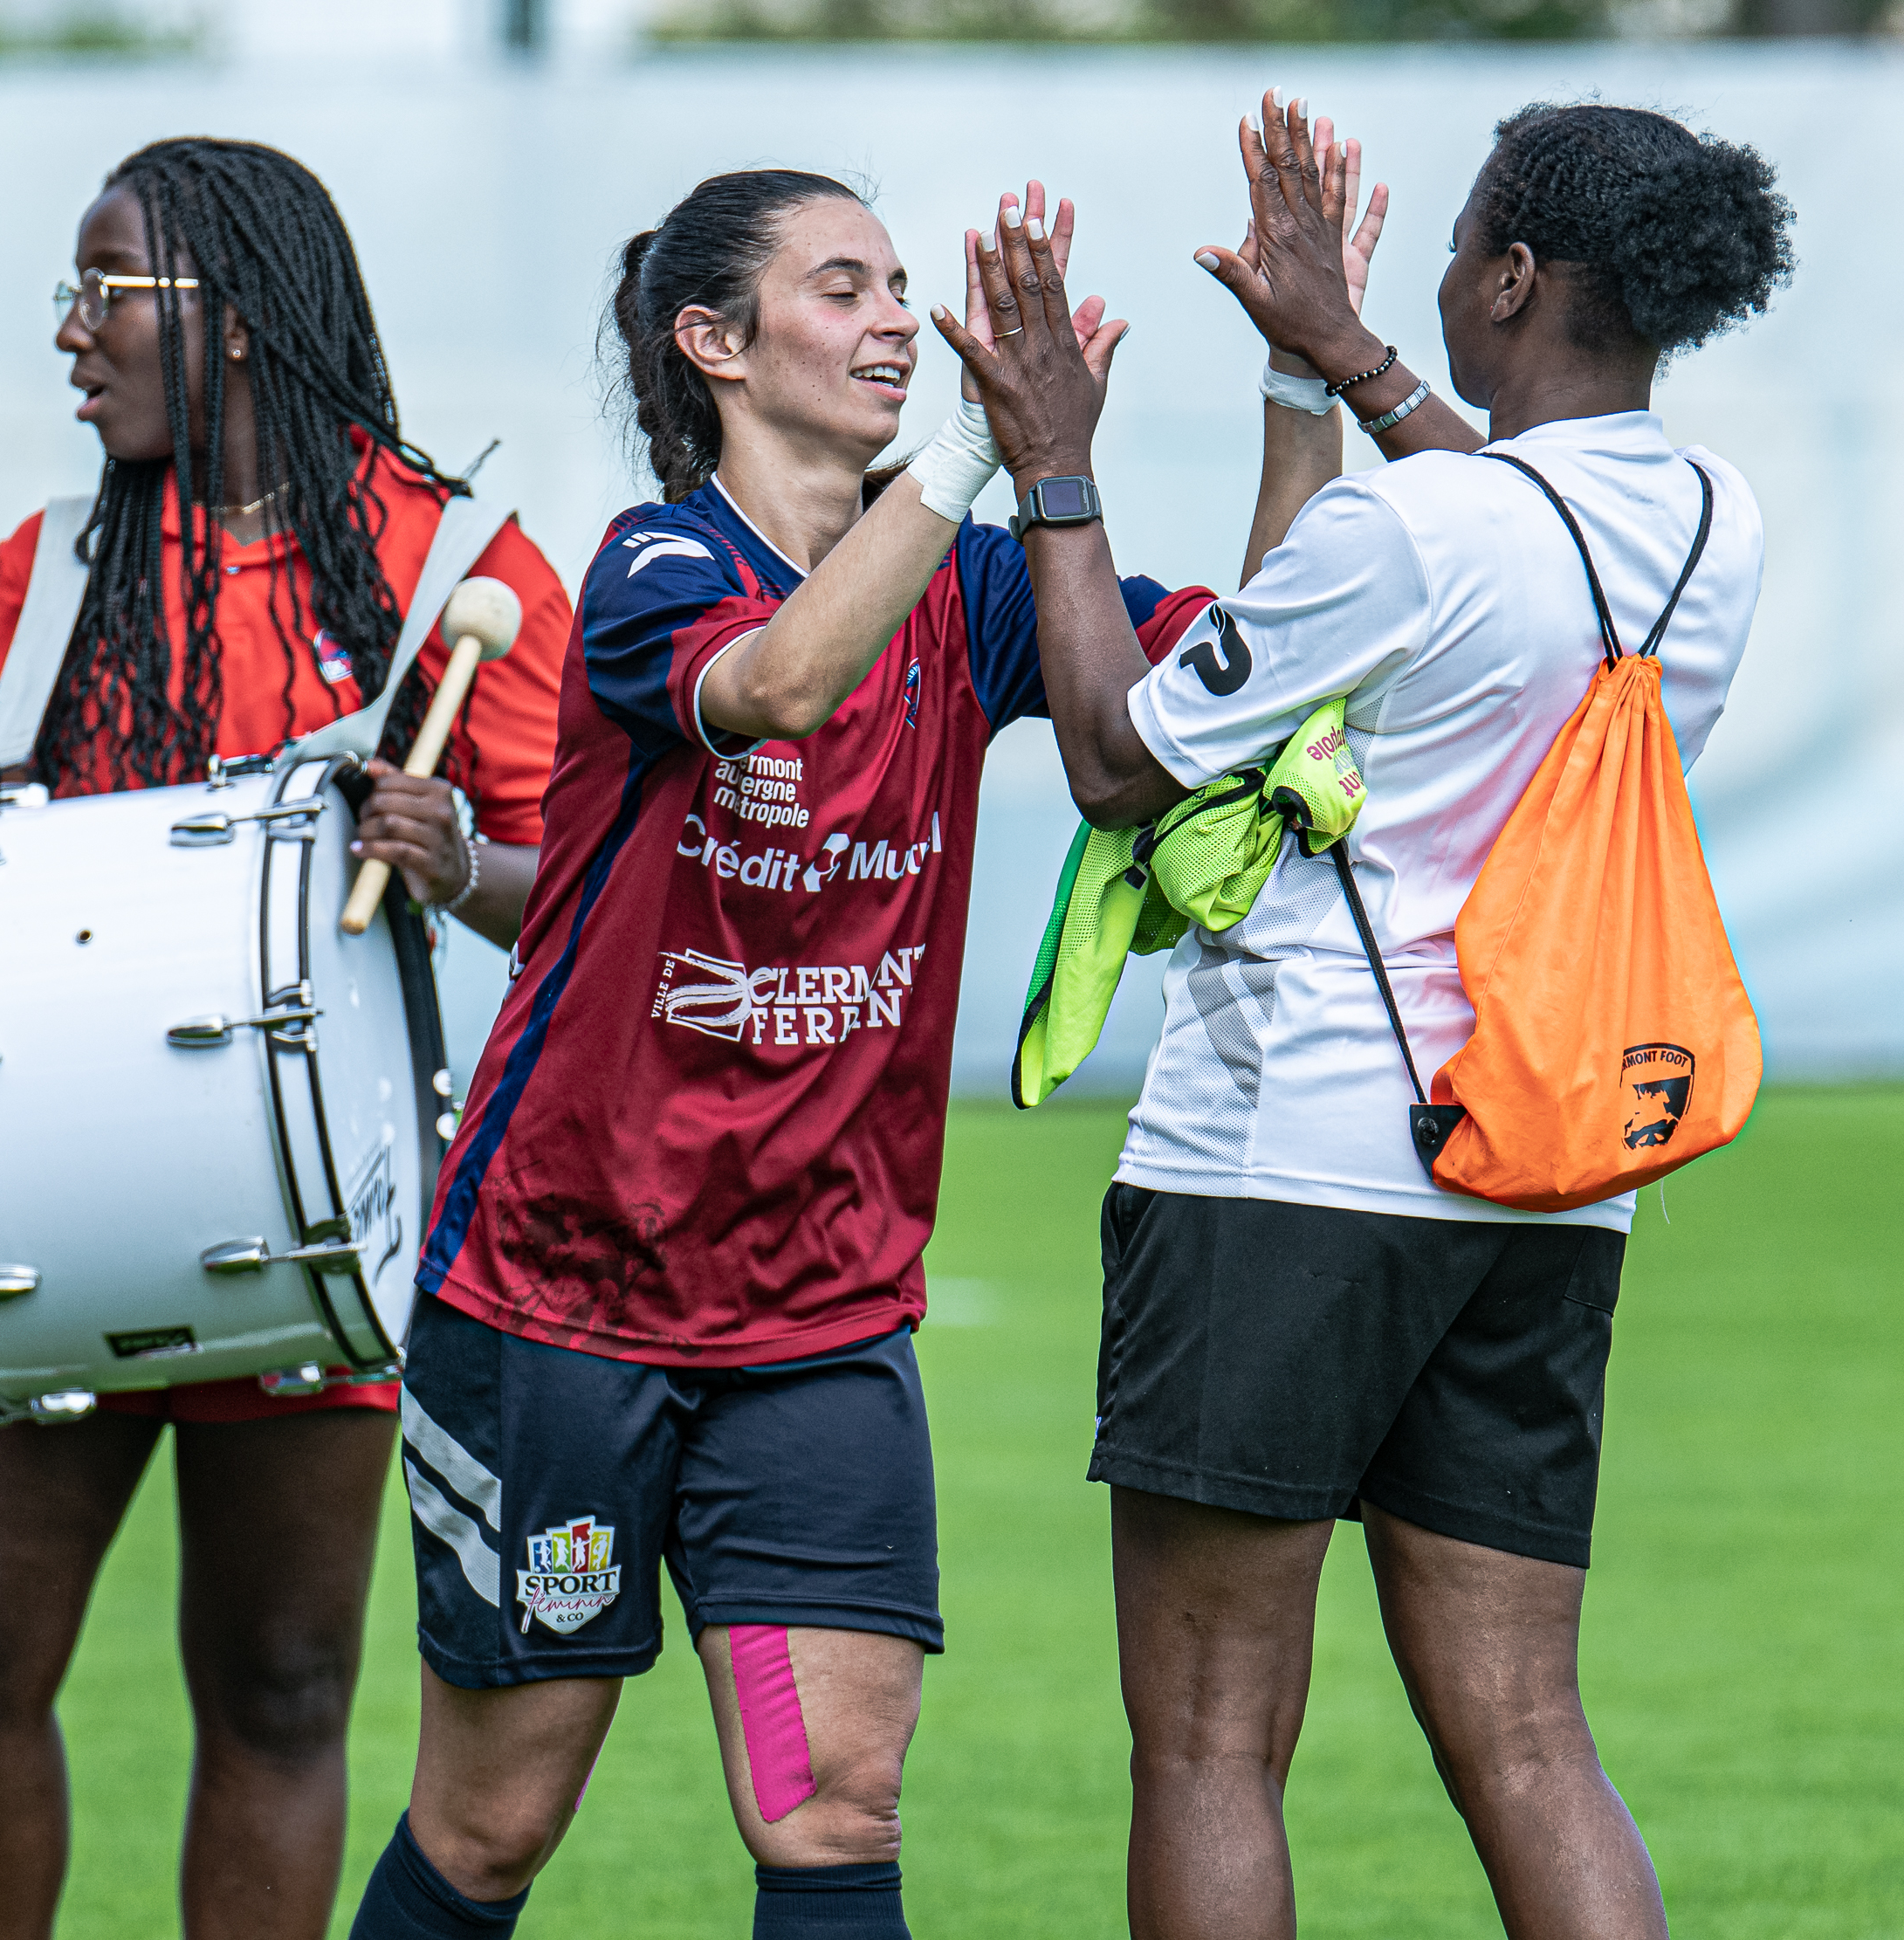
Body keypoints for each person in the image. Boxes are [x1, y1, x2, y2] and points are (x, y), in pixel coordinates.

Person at [352, 133, 1383, 1940]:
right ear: (714, 345)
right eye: (848, 287)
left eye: (905, 287)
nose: (902, 318)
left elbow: (1246, 676)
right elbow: (778, 682)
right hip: (558, 1312)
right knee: (496, 1821)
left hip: (814, 1323)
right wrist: (993, 447)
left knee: (826, 1810)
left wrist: (1304, 381)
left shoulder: (979, 595)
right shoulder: (655, 563)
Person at [939, 94, 1792, 1940]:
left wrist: (1051, 464)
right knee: (1525, 1732)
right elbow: (1508, 503)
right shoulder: (1713, 518)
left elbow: (1112, 759)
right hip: (1547, 1173)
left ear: (1507, 273)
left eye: (1456, 245)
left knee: (1209, 1739)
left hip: (1289, 1162)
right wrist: (1342, 357)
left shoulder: (1409, 533)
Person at [0, 137, 573, 1939]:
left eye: (106, 293)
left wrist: (458, 856)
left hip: (316, 1208)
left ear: (230, 311)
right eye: (70, 295)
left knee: (285, 1681)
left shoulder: (454, 566)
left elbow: (579, 903)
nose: (72, 334)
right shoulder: (42, 575)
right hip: (31, 1206)